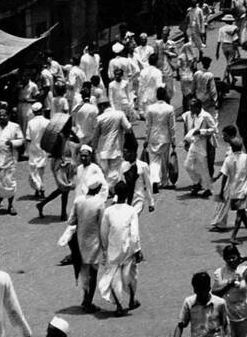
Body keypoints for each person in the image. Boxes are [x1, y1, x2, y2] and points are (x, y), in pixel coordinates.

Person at [97, 182, 143, 316]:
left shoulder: (108, 211)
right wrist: (138, 250)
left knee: (113, 278)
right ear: (127, 194)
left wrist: (106, 248)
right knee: (130, 276)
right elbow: (134, 233)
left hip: (113, 250)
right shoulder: (131, 211)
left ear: (116, 194)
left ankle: (118, 306)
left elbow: (103, 232)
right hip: (127, 249)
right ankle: (132, 300)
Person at [66, 175, 106, 310]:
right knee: (93, 273)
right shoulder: (100, 203)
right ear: (99, 188)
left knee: (84, 272)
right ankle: (88, 302)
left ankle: (85, 298)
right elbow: (102, 225)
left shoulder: (78, 201)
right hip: (94, 243)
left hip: (80, 241)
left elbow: (71, 220)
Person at [0, 104, 24, 215]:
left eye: (4, 115)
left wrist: (12, 143)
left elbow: (21, 139)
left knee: (10, 181)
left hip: (10, 158)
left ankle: (10, 205)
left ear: (8, 115)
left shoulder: (15, 127)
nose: (2, 117)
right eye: (0, 115)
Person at [144, 87, 176, 191]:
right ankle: (164, 181)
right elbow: (172, 126)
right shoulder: (170, 108)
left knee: (154, 161)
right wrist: (174, 140)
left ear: (157, 96)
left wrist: (146, 139)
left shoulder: (150, 108)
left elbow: (148, 125)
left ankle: (154, 180)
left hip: (153, 137)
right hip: (165, 137)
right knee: (164, 160)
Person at [25, 102, 49, 198]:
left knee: (33, 170)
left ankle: (38, 189)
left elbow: (28, 138)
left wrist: (26, 151)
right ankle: (40, 189)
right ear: (41, 111)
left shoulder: (30, 123)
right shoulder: (47, 122)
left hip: (33, 148)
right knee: (41, 170)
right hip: (43, 148)